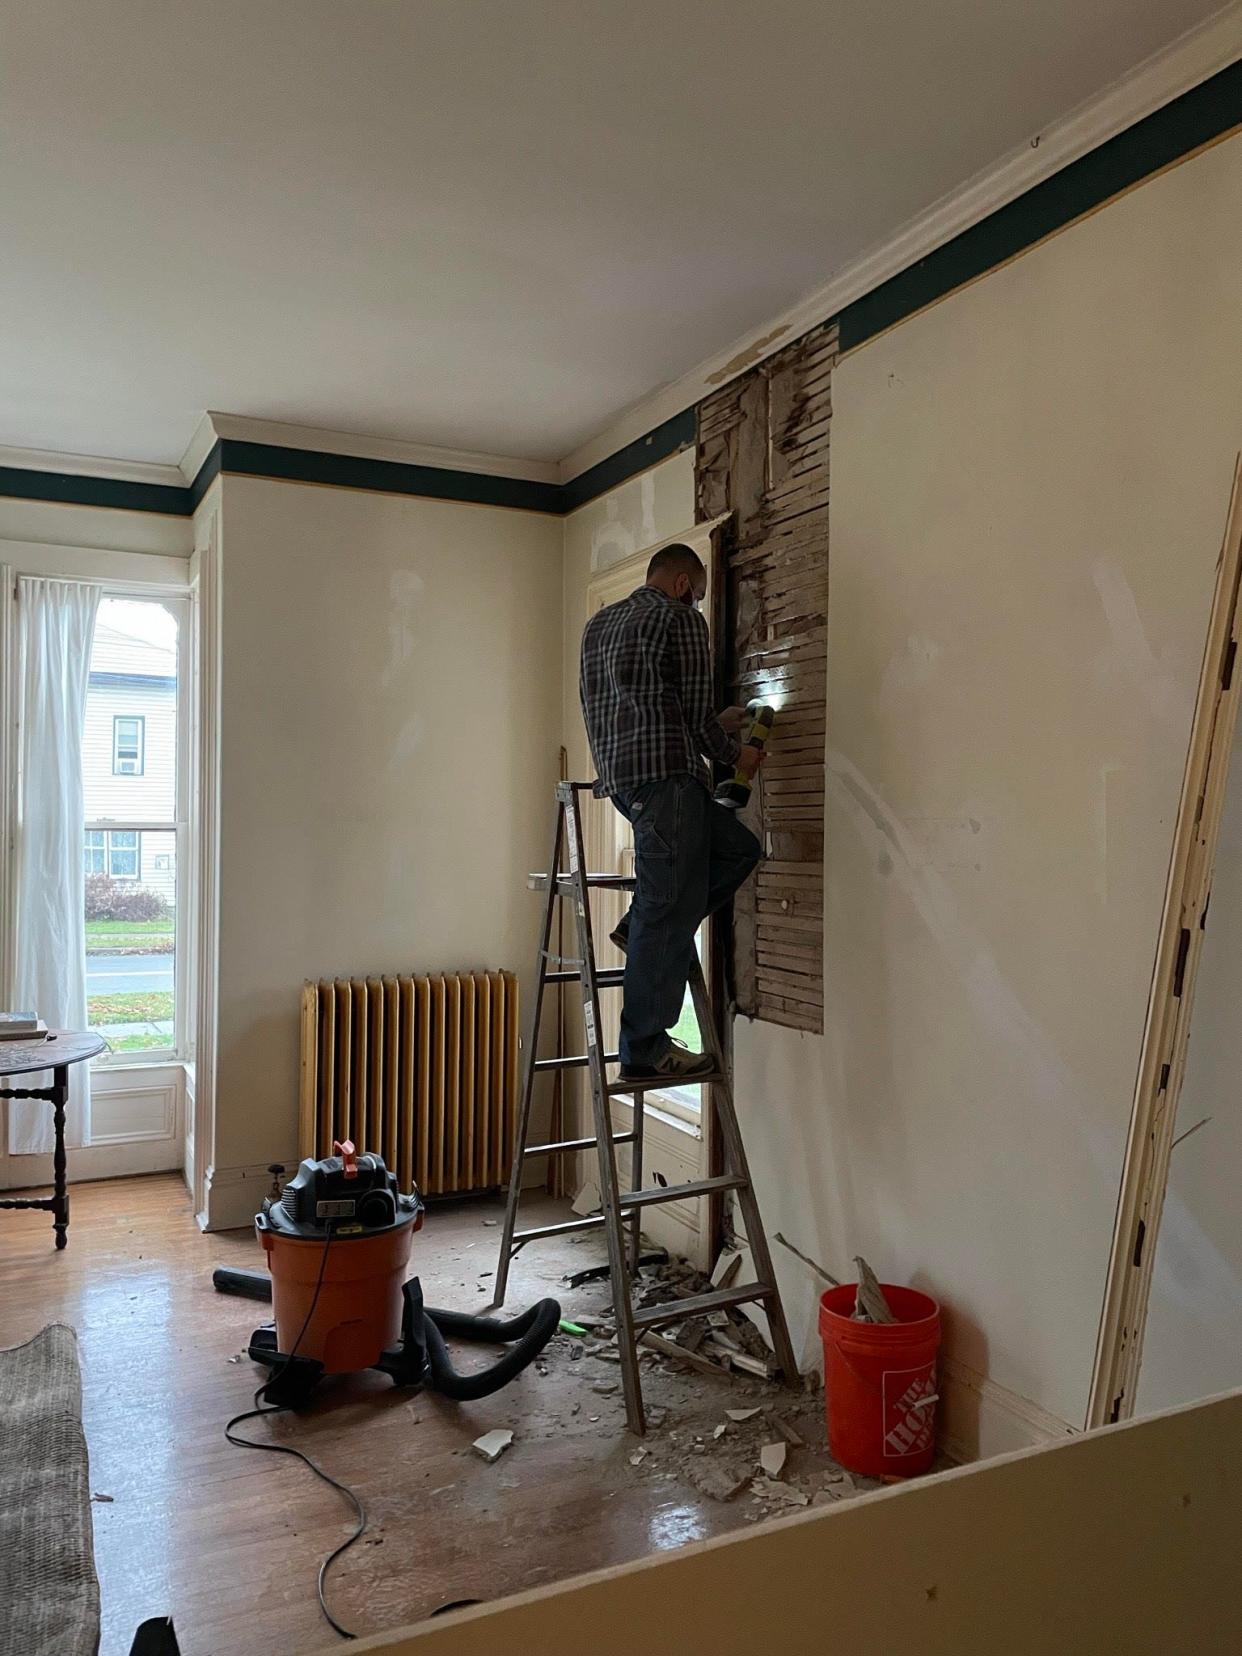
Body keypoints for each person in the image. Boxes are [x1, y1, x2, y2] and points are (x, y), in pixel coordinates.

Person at [579, 543, 763, 1082]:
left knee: (738, 850)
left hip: (625, 783)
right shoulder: (679, 619)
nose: (700, 606)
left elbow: (639, 706)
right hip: (670, 785)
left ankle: (637, 925)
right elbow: (694, 722)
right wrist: (738, 755)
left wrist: (714, 722)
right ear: (684, 584)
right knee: (666, 911)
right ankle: (645, 1049)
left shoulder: (600, 625)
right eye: (700, 595)